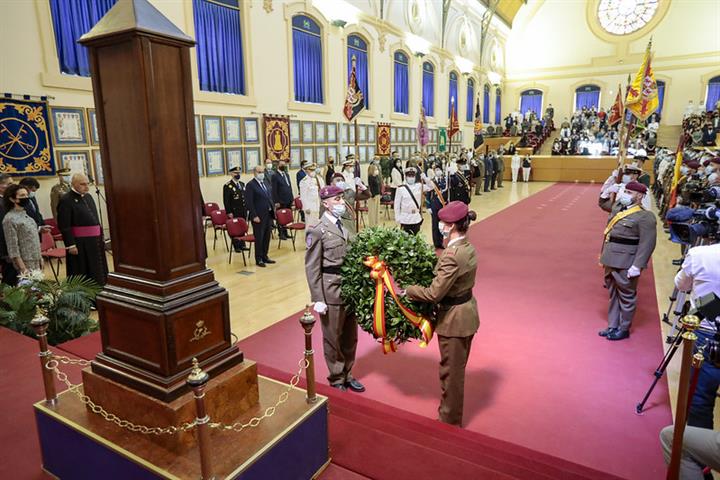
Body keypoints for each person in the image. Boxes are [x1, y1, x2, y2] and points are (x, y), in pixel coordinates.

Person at [402, 201, 479, 426]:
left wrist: (409, 290)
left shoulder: (452, 255)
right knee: (456, 369)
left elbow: (434, 293)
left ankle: (449, 420)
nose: (440, 226)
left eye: (443, 223)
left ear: (452, 225)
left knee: (451, 374)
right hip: (467, 314)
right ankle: (450, 415)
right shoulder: (466, 247)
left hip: (454, 320)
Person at [305, 185, 364, 393]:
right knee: (333, 337)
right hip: (330, 290)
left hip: (349, 288)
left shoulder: (345, 225)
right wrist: (317, 298)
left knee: (350, 335)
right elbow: (312, 267)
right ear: (325, 203)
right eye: (336, 200)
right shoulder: (317, 230)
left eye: (341, 198)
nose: (341, 202)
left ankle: (348, 373)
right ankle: (337, 377)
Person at [598, 181, 656, 341]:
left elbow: (647, 243)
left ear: (640, 196)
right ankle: (612, 325)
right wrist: (605, 192)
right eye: (626, 191)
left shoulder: (645, 217)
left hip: (627, 261)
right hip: (610, 258)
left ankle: (623, 328)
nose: (625, 194)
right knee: (613, 293)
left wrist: (638, 265)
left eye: (630, 192)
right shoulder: (618, 207)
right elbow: (604, 205)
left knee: (627, 296)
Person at [674, 240, 720, 429]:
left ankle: (695, 454)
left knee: (699, 398)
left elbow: (681, 285)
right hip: (708, 334)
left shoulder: (701, 254)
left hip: (706, 332)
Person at [57, 174, 108, 286]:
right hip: (80, 243)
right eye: (82, 184)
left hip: (95, 241)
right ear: (74, 184)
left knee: (98, 270)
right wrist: (70, 244)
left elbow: (95, 218)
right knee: (83, 271)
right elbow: (64, 225)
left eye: (87, 184)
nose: (86, 187)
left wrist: (101, 235)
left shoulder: (88, 197)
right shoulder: (66, 200)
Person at [2, 184, 42, 275]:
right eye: (22, 196)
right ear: (12, 199)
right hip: (25, 262)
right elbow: (13, 247)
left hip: (36, 258)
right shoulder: (9, 219)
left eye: (26, 195)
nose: (26, 197)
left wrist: (40, 258)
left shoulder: (27, 215)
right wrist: (23, 268)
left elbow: (33, 238)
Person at [245, 165, 275, 267]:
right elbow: (249, 202)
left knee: (267, 237)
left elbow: (269, 197)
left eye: (262, 171)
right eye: (259, 172)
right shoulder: (250, 185)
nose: (261, 174)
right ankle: (258, 259)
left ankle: (265, 256)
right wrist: (254, 215)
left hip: (268, 214)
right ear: (254, 173)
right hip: (258, 216)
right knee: (259, 238)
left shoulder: (265, 182)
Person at [394, 168, 429, 235]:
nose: (411, 178)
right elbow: (397, 204)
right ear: (406, 177)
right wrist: (397, 217)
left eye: (413, 176)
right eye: (409, 176)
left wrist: (425, 178)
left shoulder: (419, 186)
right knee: (405, 241)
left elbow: (431, 187)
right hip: (405, 218)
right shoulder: (401, 188)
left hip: (416, 218)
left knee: (416, 241)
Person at [271, 160, 294, 241]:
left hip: (288, 199)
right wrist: (276, 201)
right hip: (280, 201)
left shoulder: (286, 174)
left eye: (284, 165)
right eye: (282, 165)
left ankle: (286, 232)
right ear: (278, 166)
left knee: (287, 217)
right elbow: (274, 190)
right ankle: (281, 233)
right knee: (280, 218)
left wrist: (292, 198)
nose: (283, 166)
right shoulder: (275, 176)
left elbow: (289, 187)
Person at [299, 163, 323, 231]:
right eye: (311, 170)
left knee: (316, 225)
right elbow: (303, 196)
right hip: (309, 207)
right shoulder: (304, 181)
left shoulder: (315, 179)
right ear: (306, 170)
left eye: (314, 170)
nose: (313, 172)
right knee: (310, 226)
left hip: (316, 206)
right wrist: (306, 208)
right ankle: (309, 241)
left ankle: (315, 241)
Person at [367, 159, 382, 227]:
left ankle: (376, 224)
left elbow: (379, 186)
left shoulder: (376, 177)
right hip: (373, 196)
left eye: (377, 169)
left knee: (377, 211)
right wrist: (373, 196)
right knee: (372, 212)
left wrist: (380, 194)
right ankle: (372, 225)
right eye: (375, 169)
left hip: (377, 195)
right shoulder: (371, 177)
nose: (377, 170)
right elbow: (371, 187)